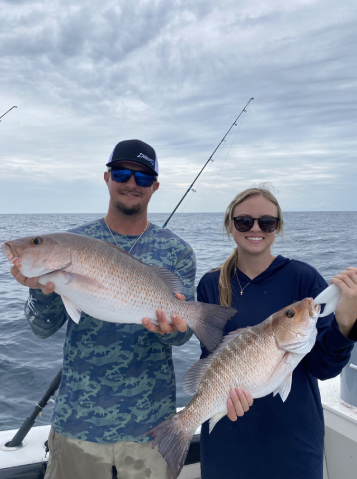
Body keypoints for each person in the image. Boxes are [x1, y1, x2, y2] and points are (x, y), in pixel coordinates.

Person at [10, 139, 196, 479]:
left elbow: (182, 339)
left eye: (142, 178)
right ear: (107, 178)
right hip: (76, 424)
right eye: (123, 173)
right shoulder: (72, 240)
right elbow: (42, 328)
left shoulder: (177, 252)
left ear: (154, 186)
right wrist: (41, 291)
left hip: (151, 428)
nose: (131, 183)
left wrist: (176, 330)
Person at [197, 185, 357, 479]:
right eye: (244, 221)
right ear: (230, 225)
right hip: (227, 440)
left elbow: (323, 367)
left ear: (278, 227)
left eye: (266, 222)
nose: (255, 229)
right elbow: (211, 359)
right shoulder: (210, 284)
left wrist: (345, 327)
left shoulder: (303, 277)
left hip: (293, 440)